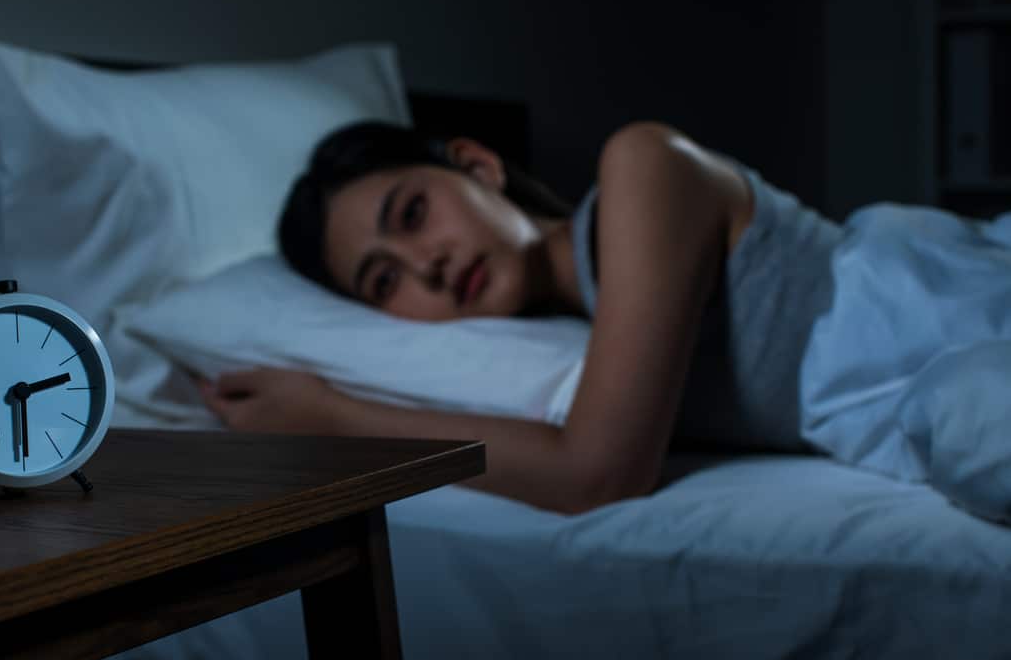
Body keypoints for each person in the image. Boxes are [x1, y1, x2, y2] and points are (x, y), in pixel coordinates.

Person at [197, 119, 1011, 522]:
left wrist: (334, 418)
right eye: (385, 281)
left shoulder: (642, 167)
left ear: (477, 166)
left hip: (943, 314)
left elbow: (596, 473)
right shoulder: (577, 341)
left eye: (412, 214)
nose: (427, 266)